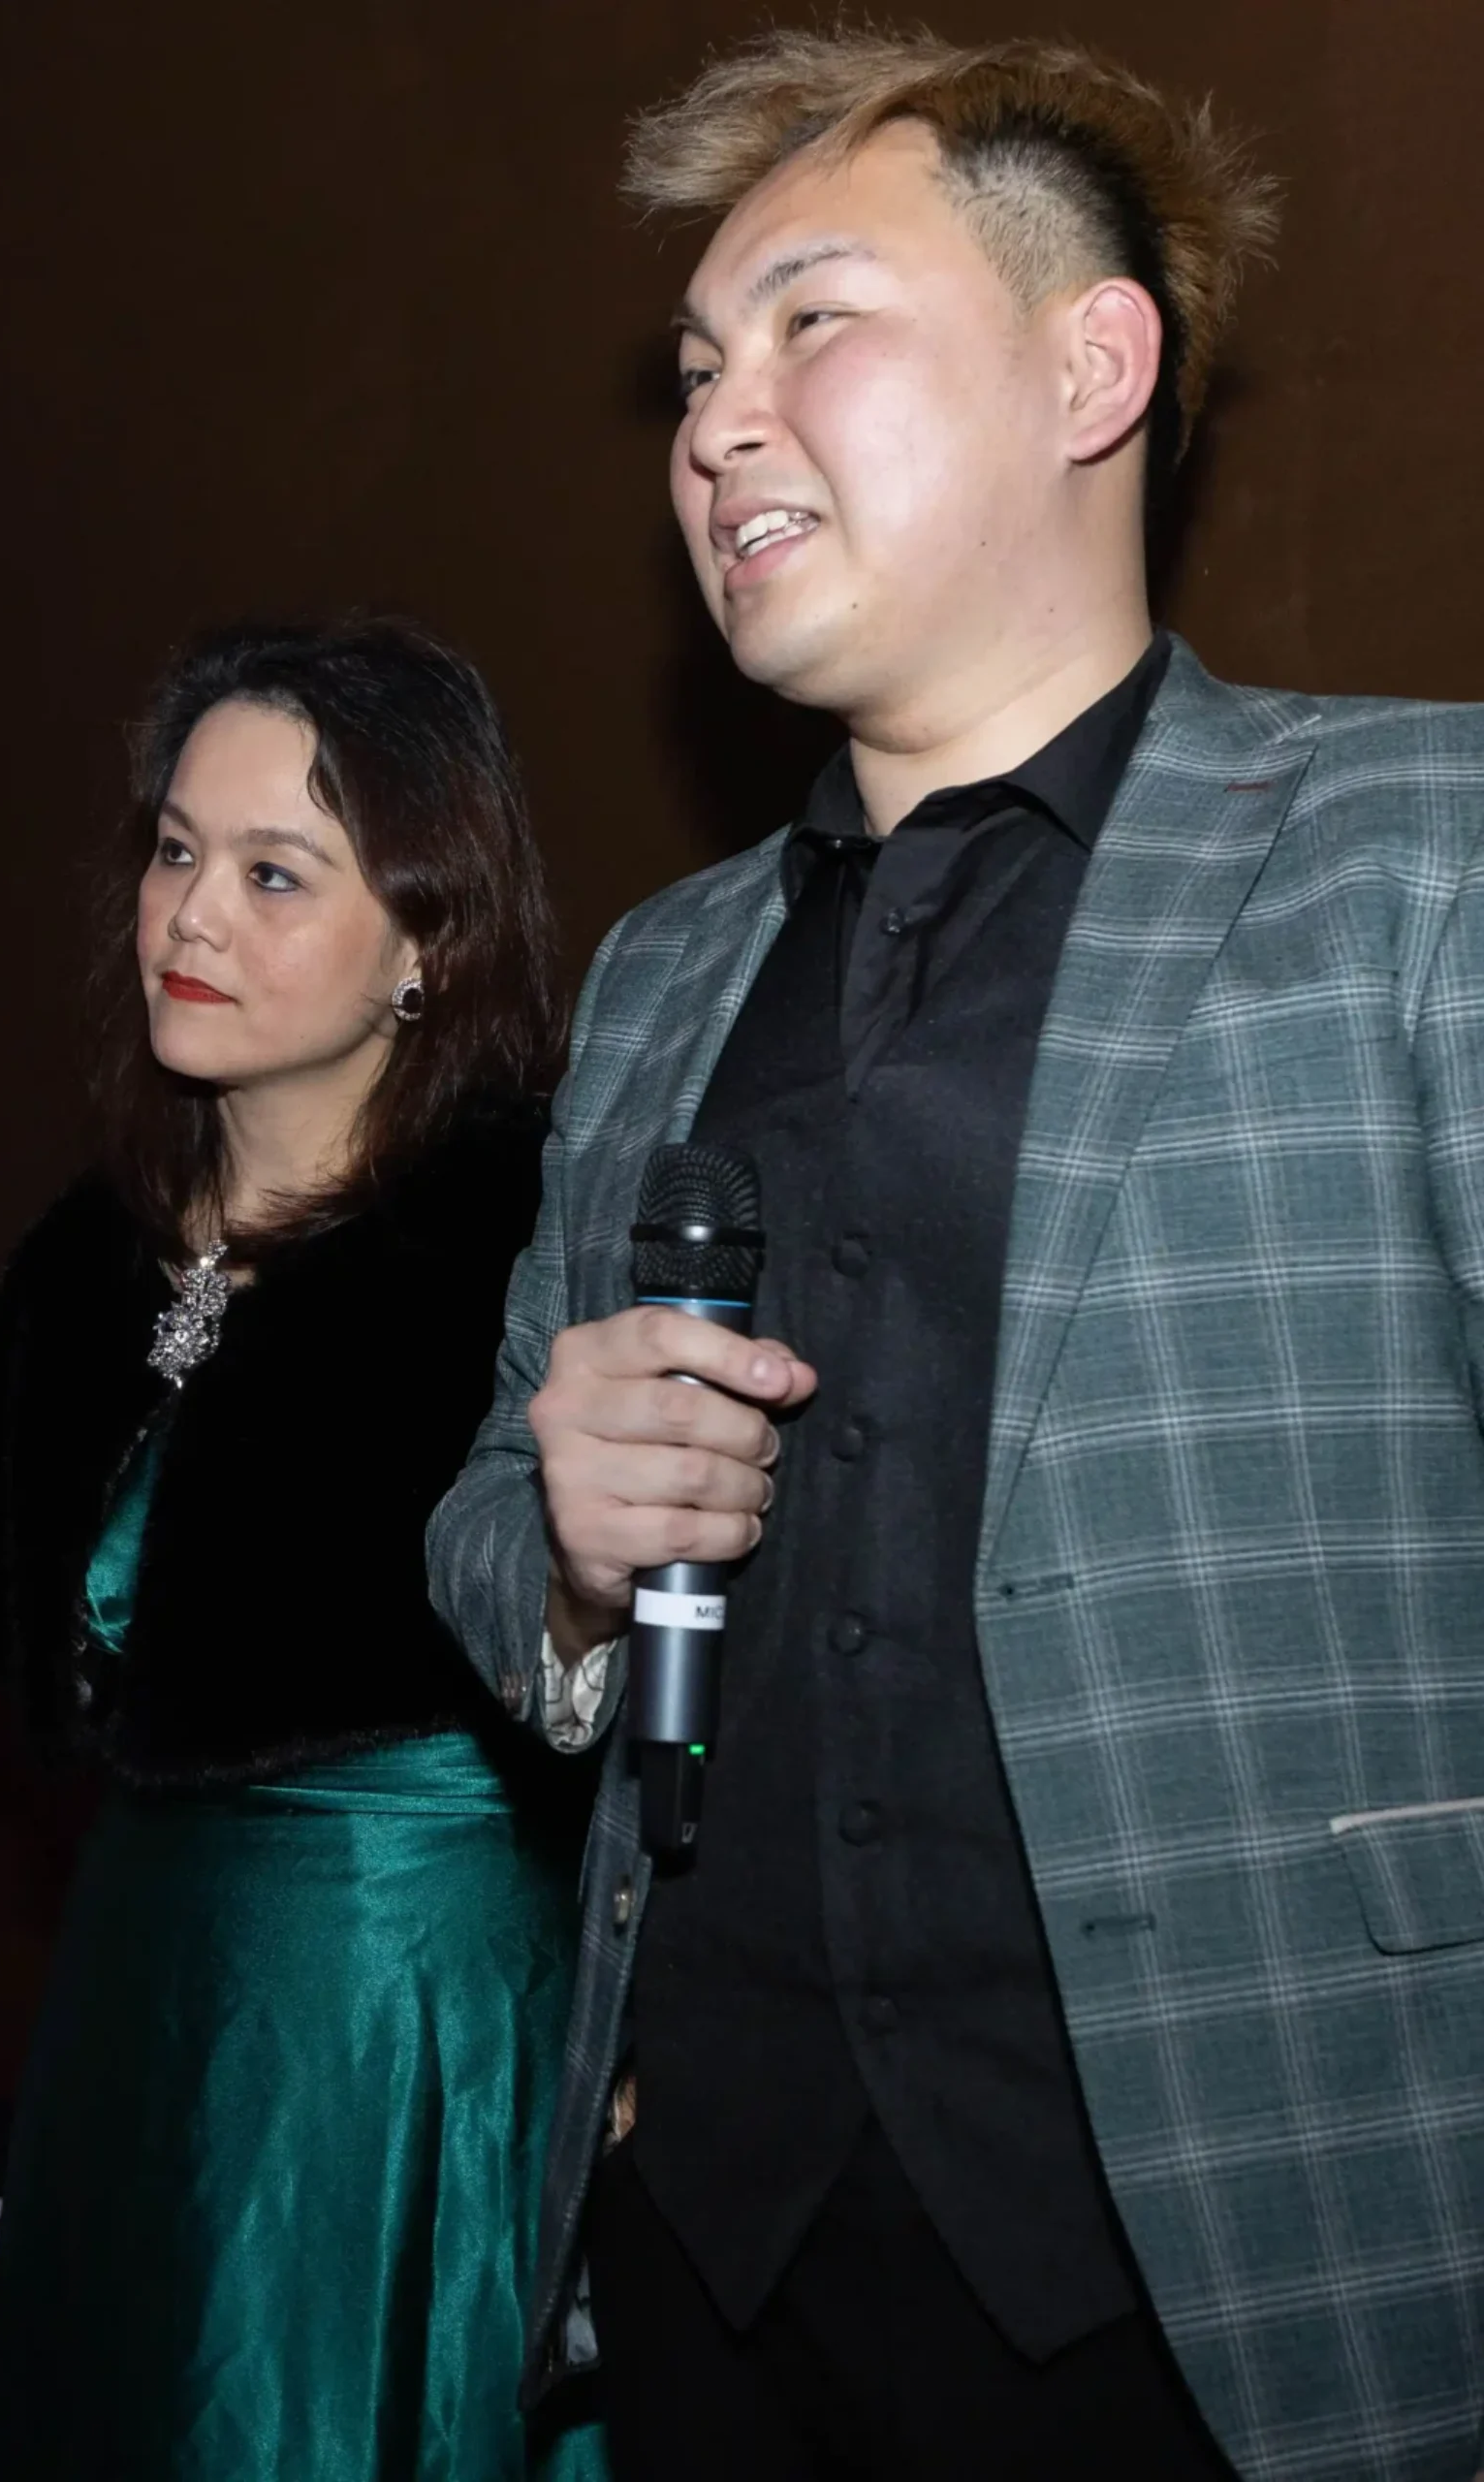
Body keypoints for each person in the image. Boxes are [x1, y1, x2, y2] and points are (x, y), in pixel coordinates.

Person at [429, 28, 1484, 2482]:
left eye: (808, 321)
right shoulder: (664, 970)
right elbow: (483, 1513)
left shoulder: (1421, 855)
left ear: (1088, 366)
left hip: (1282, 2258)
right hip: (712, 2254)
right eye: (691, 368)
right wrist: (563, 1552)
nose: (714, 421)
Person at [0, 618, 608, 2480]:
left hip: (409, 2007)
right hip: (136, 1995)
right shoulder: (83, 1257)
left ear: (428, 942)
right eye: (174, 852)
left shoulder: (525, 1246)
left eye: (275, 873)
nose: (190, 916)